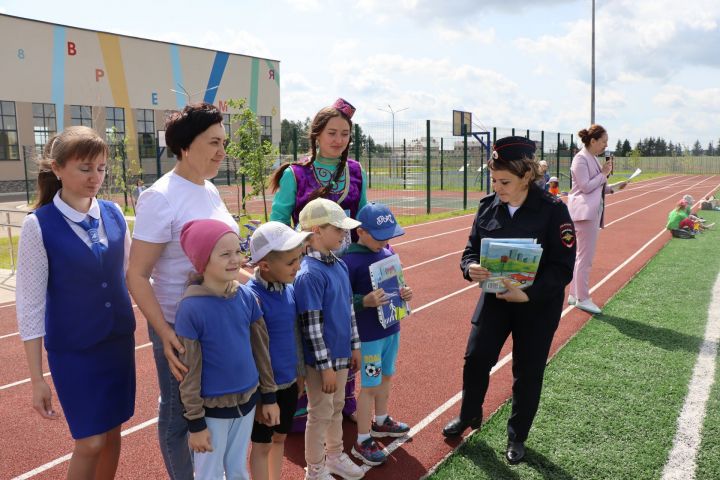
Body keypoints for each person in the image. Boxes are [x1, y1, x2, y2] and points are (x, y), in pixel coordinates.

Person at [442, 136, 576, 465]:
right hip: (495, 301)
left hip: (536, 307)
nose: (498, 187)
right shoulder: (488, 205)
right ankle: (470, 415)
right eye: (494, 180)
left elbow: (563, 269)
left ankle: (517, 436)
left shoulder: (553, 210)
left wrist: (527, 293)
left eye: (505, 181)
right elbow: (470, 250)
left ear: (526, 176)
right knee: (475, 359)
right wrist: (469, 267)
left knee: (527, 373)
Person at [126, 102, 239, 479]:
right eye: (214, 142)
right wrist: (166, 333)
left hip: (220, 320)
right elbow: (138, 275)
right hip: (180, 326)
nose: (223, 151)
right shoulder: (160, 197)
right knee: (179, 415)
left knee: (215, 409)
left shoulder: (209, 190)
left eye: (224, 142)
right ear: (186, 146)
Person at [16, 126, 136, 479]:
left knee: (114, 434)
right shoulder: (38, 226)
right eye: (85, 168)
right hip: (75, 351)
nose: (95, 177)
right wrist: (37, 378)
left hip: (117, 344)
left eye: (101, 168)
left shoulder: (114, 214)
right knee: (90, 442)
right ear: (57, 168)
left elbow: (132, 276)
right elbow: (31, 303)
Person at [270, 98, 368, 423]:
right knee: (310, 327)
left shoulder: (355, 171)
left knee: (343, 326)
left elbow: (363, 216)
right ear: (316, 135)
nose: (339, 140)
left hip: (345, 262)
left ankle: (345, 400)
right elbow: (280, 219)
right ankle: (304, 408)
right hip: (307, 264)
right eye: (332, 133)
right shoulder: (295, 173)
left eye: (345, 134)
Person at [175, 219, 279, 480]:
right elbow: (189, 371)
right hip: (212, 412)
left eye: (238, 251)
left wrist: (269, 397)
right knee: (209, 474)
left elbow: (262, 353)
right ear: (202, 261)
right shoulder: (191, 309)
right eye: (225, 254)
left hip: (247, 404)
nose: (235, 259)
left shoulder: (246, 297)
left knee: (237, 470)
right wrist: (196, 422)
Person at [294, 198, 364, 480]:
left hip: (342, 356)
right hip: (322, 363)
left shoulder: (339, 265)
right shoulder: (309, 274)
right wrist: (324, 367)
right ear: (316, 231)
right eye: (337, 229)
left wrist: (355, 346)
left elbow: (348, 311)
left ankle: (335, 455)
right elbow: (311, 327)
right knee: (320, 414)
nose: (344, 234)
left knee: (336, 409)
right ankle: (315, 469)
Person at [342, 203, 413, 466]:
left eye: (388, 235)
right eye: (380, 235)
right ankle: (362, 440)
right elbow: (342, 300)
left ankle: (381, 421)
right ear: (361, 232)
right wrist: (365, 301)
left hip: (392, 330)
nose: (385, 241)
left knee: (387, 377)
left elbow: (399, 284)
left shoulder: (387, 253)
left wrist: (406, 293)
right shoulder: (349, 261)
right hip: (369, 339)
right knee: (369, 387)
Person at [246, 222, 312, 480]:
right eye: (290, 262)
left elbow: (295, 334)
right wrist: (264, 396)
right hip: (264, 389)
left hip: (288, 382)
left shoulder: (290, 290)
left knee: (280, 437)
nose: (297, 266)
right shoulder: (252, 297)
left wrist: (300, 373)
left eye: (299, 259)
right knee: (261, 445)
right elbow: (253, 349)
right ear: (264, 265)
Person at [566, 124, 627, 315]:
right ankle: (582, 298)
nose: (605, 146)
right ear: (592, 141)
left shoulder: (590, 158)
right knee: (585, 258)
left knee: (581, 257)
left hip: (589, 212)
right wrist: (603, 175)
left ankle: (575, 294)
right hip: (584, 213)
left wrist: (614, 187)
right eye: (603, 142)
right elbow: (585, 187)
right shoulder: (581, 159)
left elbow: (596, 186)